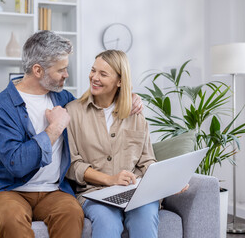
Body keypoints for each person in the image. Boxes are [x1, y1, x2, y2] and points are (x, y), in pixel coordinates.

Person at [0, 31, 144, 238]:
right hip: (10, 190)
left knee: (72, 214)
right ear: (38, 70)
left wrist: (129, 96)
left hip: (55, 191)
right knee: (11, 220)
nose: (67, 75)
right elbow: (16, 164)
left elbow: (96, 102)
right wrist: (54, 128)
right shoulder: (0, 107)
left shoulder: (63, 98)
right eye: (61, 70)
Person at [66, 50, 188, 238]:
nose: (94, 77)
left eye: (103, 74)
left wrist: (170, 182)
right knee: (108, 223)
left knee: (145, 219)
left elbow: (147, 160)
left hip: (137, 192)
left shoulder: (135, 112)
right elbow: (72, 165)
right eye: (93, 70)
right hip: (95, 193)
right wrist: (109, 179)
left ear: (120, 81)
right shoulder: (73, 112)